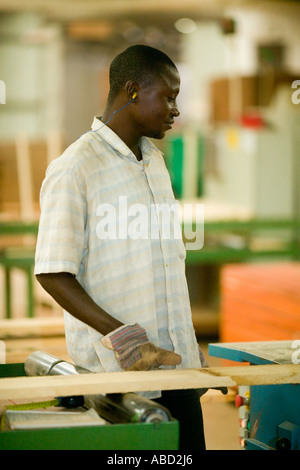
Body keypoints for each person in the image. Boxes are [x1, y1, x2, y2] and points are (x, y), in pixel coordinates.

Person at [35, 45, 207, 450]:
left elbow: (167, 265)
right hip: (120, 376)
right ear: (132, 91)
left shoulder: (155, 163)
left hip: (176, 366)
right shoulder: (76, 167)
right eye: (168, 96)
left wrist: (187, 343)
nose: (175, 109)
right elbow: (53, 271)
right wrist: (126, 339)